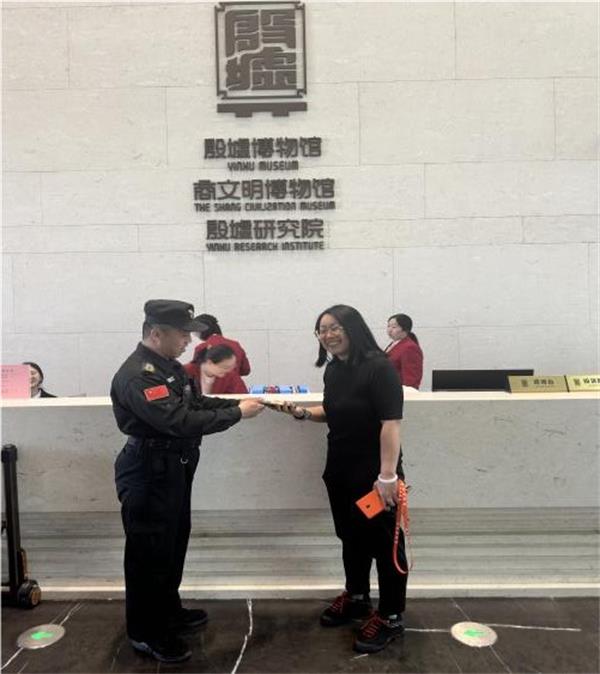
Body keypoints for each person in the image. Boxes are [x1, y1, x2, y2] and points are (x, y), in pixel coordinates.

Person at [111, 299, 264, 664]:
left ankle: (167, 611)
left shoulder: (170, 368)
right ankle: (146, 633)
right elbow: (177, 421)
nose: (187, 341)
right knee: (149, 554)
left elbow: (195, 404)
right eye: (182, 334)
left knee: (172, 544)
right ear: (156, 333)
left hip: (171, 467)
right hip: (148, 470)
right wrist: (237, 415)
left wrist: (236, 404)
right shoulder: (139, 374)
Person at [270, 304, 407, 654]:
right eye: (322, 329)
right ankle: (357, 597)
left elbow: (391, 423)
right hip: (341, 471)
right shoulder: (334, 370)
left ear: (353, 328)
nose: (328, 335)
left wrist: (387, 475)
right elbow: (334, 412)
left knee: (385, 546)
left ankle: (391, 616)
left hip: (374, 477)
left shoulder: (379, 368)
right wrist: (302, 413)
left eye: (335, 327)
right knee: (351, 537)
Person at [189, 314, 251, 379]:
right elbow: (246, 370)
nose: (195, 335)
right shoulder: (236, 345)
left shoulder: (202, 348)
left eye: (196, 332)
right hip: (235, 384)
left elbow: (195, 373)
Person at [385, 313, 423, 389]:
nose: (389, 330)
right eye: (388, 326)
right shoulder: (393, 344)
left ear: (405, 329)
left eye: (394, 327)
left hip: (399, 391)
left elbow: (411, 378)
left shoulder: (410, 348)